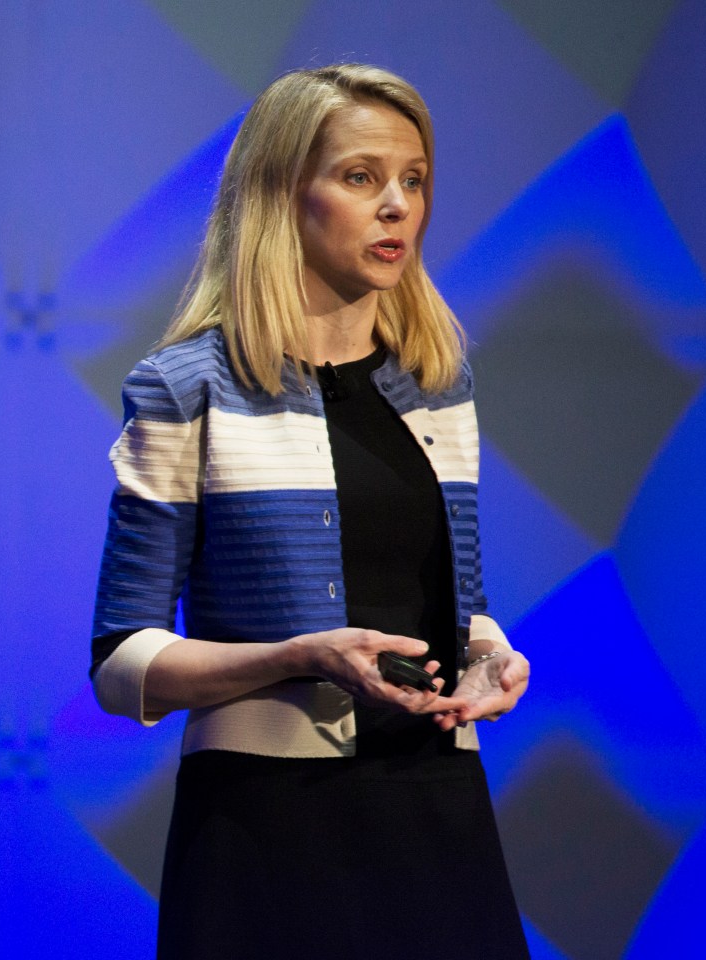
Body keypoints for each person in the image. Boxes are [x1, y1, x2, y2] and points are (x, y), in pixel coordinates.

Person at [90, 64, 532, 960]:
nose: (398, 206)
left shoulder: (438, 386)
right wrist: (299, 657)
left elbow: (458, 601)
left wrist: (489, 653)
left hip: (436, 808)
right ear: (280, 195)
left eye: (414, 180)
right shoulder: (188, 390)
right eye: (362, 177)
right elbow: (120, 664)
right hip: (267, 831)